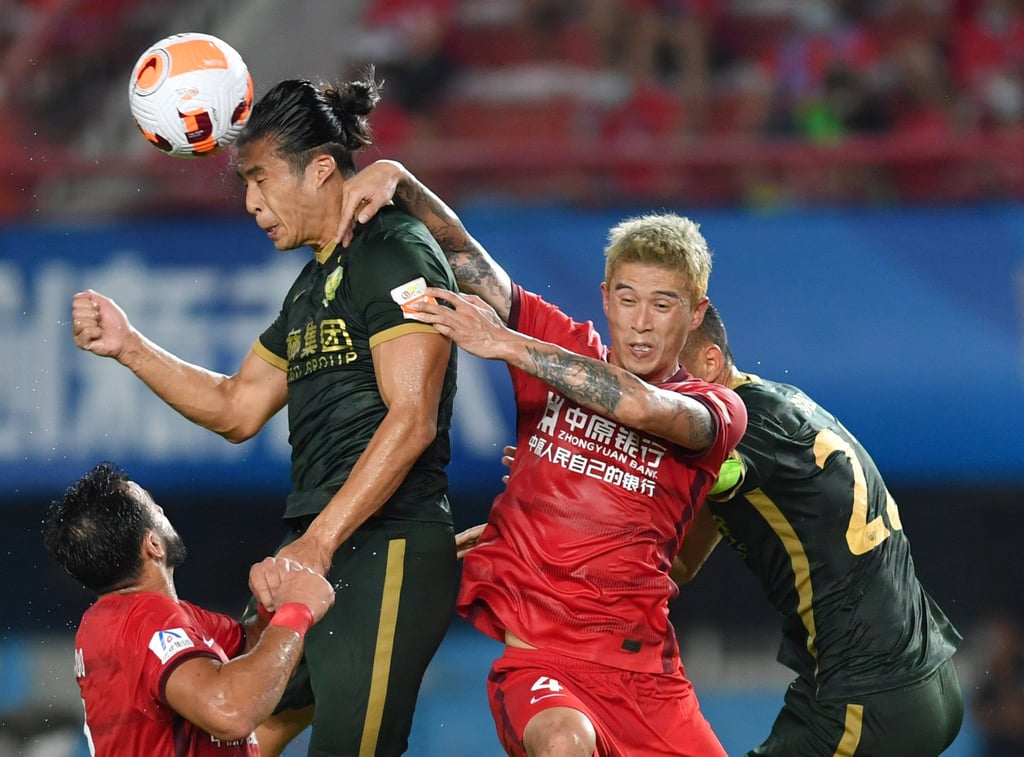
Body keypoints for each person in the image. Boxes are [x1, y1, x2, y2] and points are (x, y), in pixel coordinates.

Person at [70, 70, 460, 757]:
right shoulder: (312, 286)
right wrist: (129, 347)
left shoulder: (393, 248)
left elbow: (413, 418)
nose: (250, 202)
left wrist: (318, 541)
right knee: (233, 729)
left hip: (383, 540)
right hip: (323, 544)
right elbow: (236, 404)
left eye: (258, 179)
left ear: (318, 171)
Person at [340, 161, 747, 756]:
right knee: (563, 743)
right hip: (545, 666)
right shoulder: (562, 345)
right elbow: (466, 257)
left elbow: (639, 406)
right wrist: (400, 180)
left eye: (663, 305)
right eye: (627, 299)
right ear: (605, 298)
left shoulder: (715, 409)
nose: (640, 322)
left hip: (649, 680)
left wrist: (502, 342)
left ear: (693, 313)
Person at [670, 303, 964, 756]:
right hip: (924, 678)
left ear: (710, 363)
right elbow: (682, 561)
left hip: (868, 698)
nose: (657, 395)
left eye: (665, 373)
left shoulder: (738, 436)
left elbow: (703, 469)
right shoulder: (777, 402)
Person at [42, 461, 335, 756]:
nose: (163, 512)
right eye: (154, 507)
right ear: (153, 545)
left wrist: (271, 607)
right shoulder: (145, 618)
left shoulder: (122, 618)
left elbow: (246, 655)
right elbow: (230, 711)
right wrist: (297, 609)